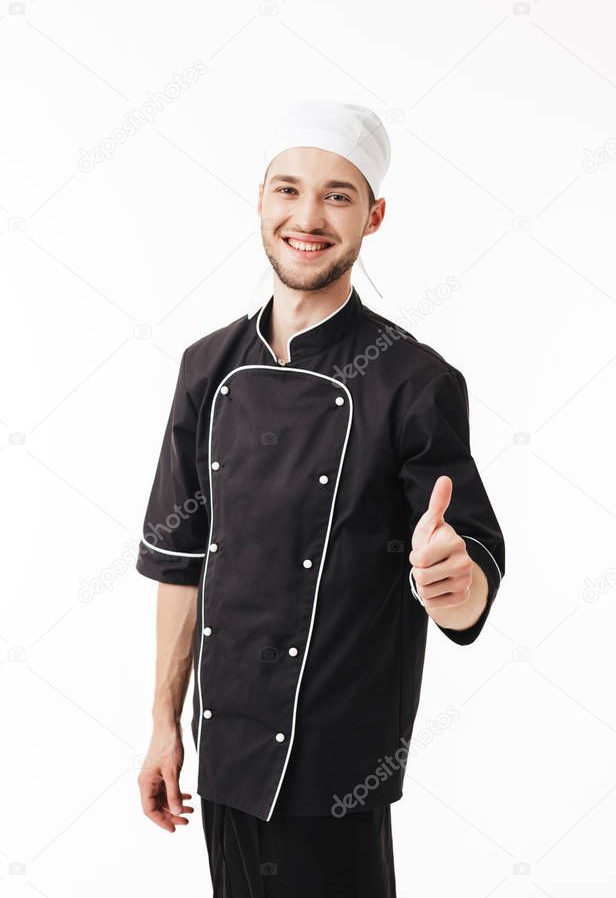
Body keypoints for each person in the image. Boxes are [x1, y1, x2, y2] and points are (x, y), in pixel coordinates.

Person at [136, 100, 505, 897]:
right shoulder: (208, 367)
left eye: (338, 195)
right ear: (261, 201)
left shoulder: (413, 378)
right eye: (288, 190)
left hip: (339, 767)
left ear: (373, 216)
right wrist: (165, 723)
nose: (308, 216)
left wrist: (455, 581)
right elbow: (182, 559)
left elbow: (466, 553)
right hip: (224, 756)